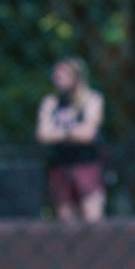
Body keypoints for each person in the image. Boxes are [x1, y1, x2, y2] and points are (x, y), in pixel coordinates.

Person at [36, 57, 106, 223]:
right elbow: (42, 134)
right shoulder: (51, 102)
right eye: (56, 74)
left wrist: (58, 132)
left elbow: (88, 133)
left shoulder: (92, 99)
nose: (57, 77)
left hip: (86, 164)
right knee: (66, 219)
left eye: (64, 73)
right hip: (60, 165)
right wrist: (73, 131)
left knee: (92, 216)